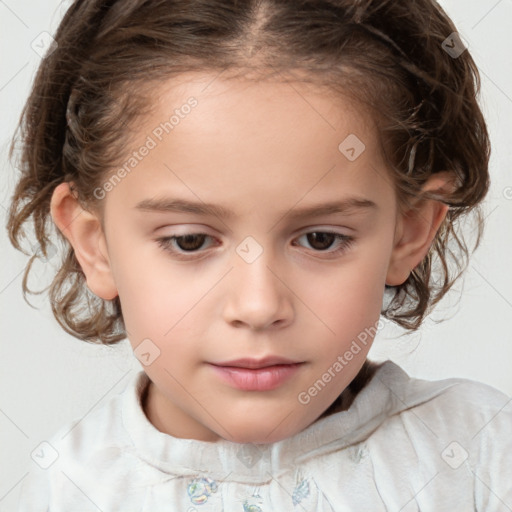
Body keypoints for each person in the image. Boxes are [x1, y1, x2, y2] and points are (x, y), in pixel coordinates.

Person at [6, 0, 511, 509]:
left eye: (321, 239)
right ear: (96, 244)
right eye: (190, 240)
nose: (258, 306)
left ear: (408, 232)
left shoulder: (481, 455)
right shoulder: (67, 489)